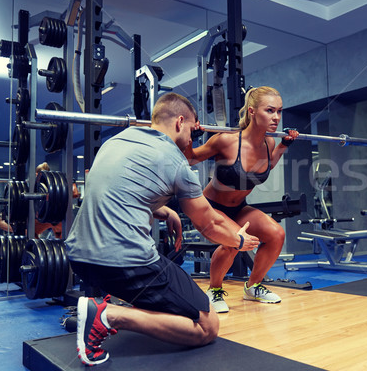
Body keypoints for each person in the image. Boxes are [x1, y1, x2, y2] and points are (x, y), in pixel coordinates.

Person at [65, 92, 260, 366]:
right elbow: (209, 222)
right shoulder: (176, 162)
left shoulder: (115, 142)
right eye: (193, 129)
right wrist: (238, 240)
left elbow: (118, 191)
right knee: (207, 325)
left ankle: (107, 299)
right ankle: (107, 315)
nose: (194, 138)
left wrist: (166, 210)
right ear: (180, 122)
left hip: (80, 261)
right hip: (125, 264)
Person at [183, 86, 298, 313]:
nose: (276, 117)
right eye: (270, 110)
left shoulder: (269, 143)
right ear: (253, 112)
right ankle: (214, 290)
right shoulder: (226, 141)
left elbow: (269, 165)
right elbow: (190, 159)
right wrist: (189, 137)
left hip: (239, 208)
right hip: (210, 208)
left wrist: (284, 145)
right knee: (237, 240)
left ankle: (253, 286)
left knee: (276, 234)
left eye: (279, 111)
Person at [34, 162, 63, 239]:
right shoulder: (53, 186)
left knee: (31, 231)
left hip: (46, 217)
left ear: (37, 174)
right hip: (53, 217)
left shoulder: (38, 187)